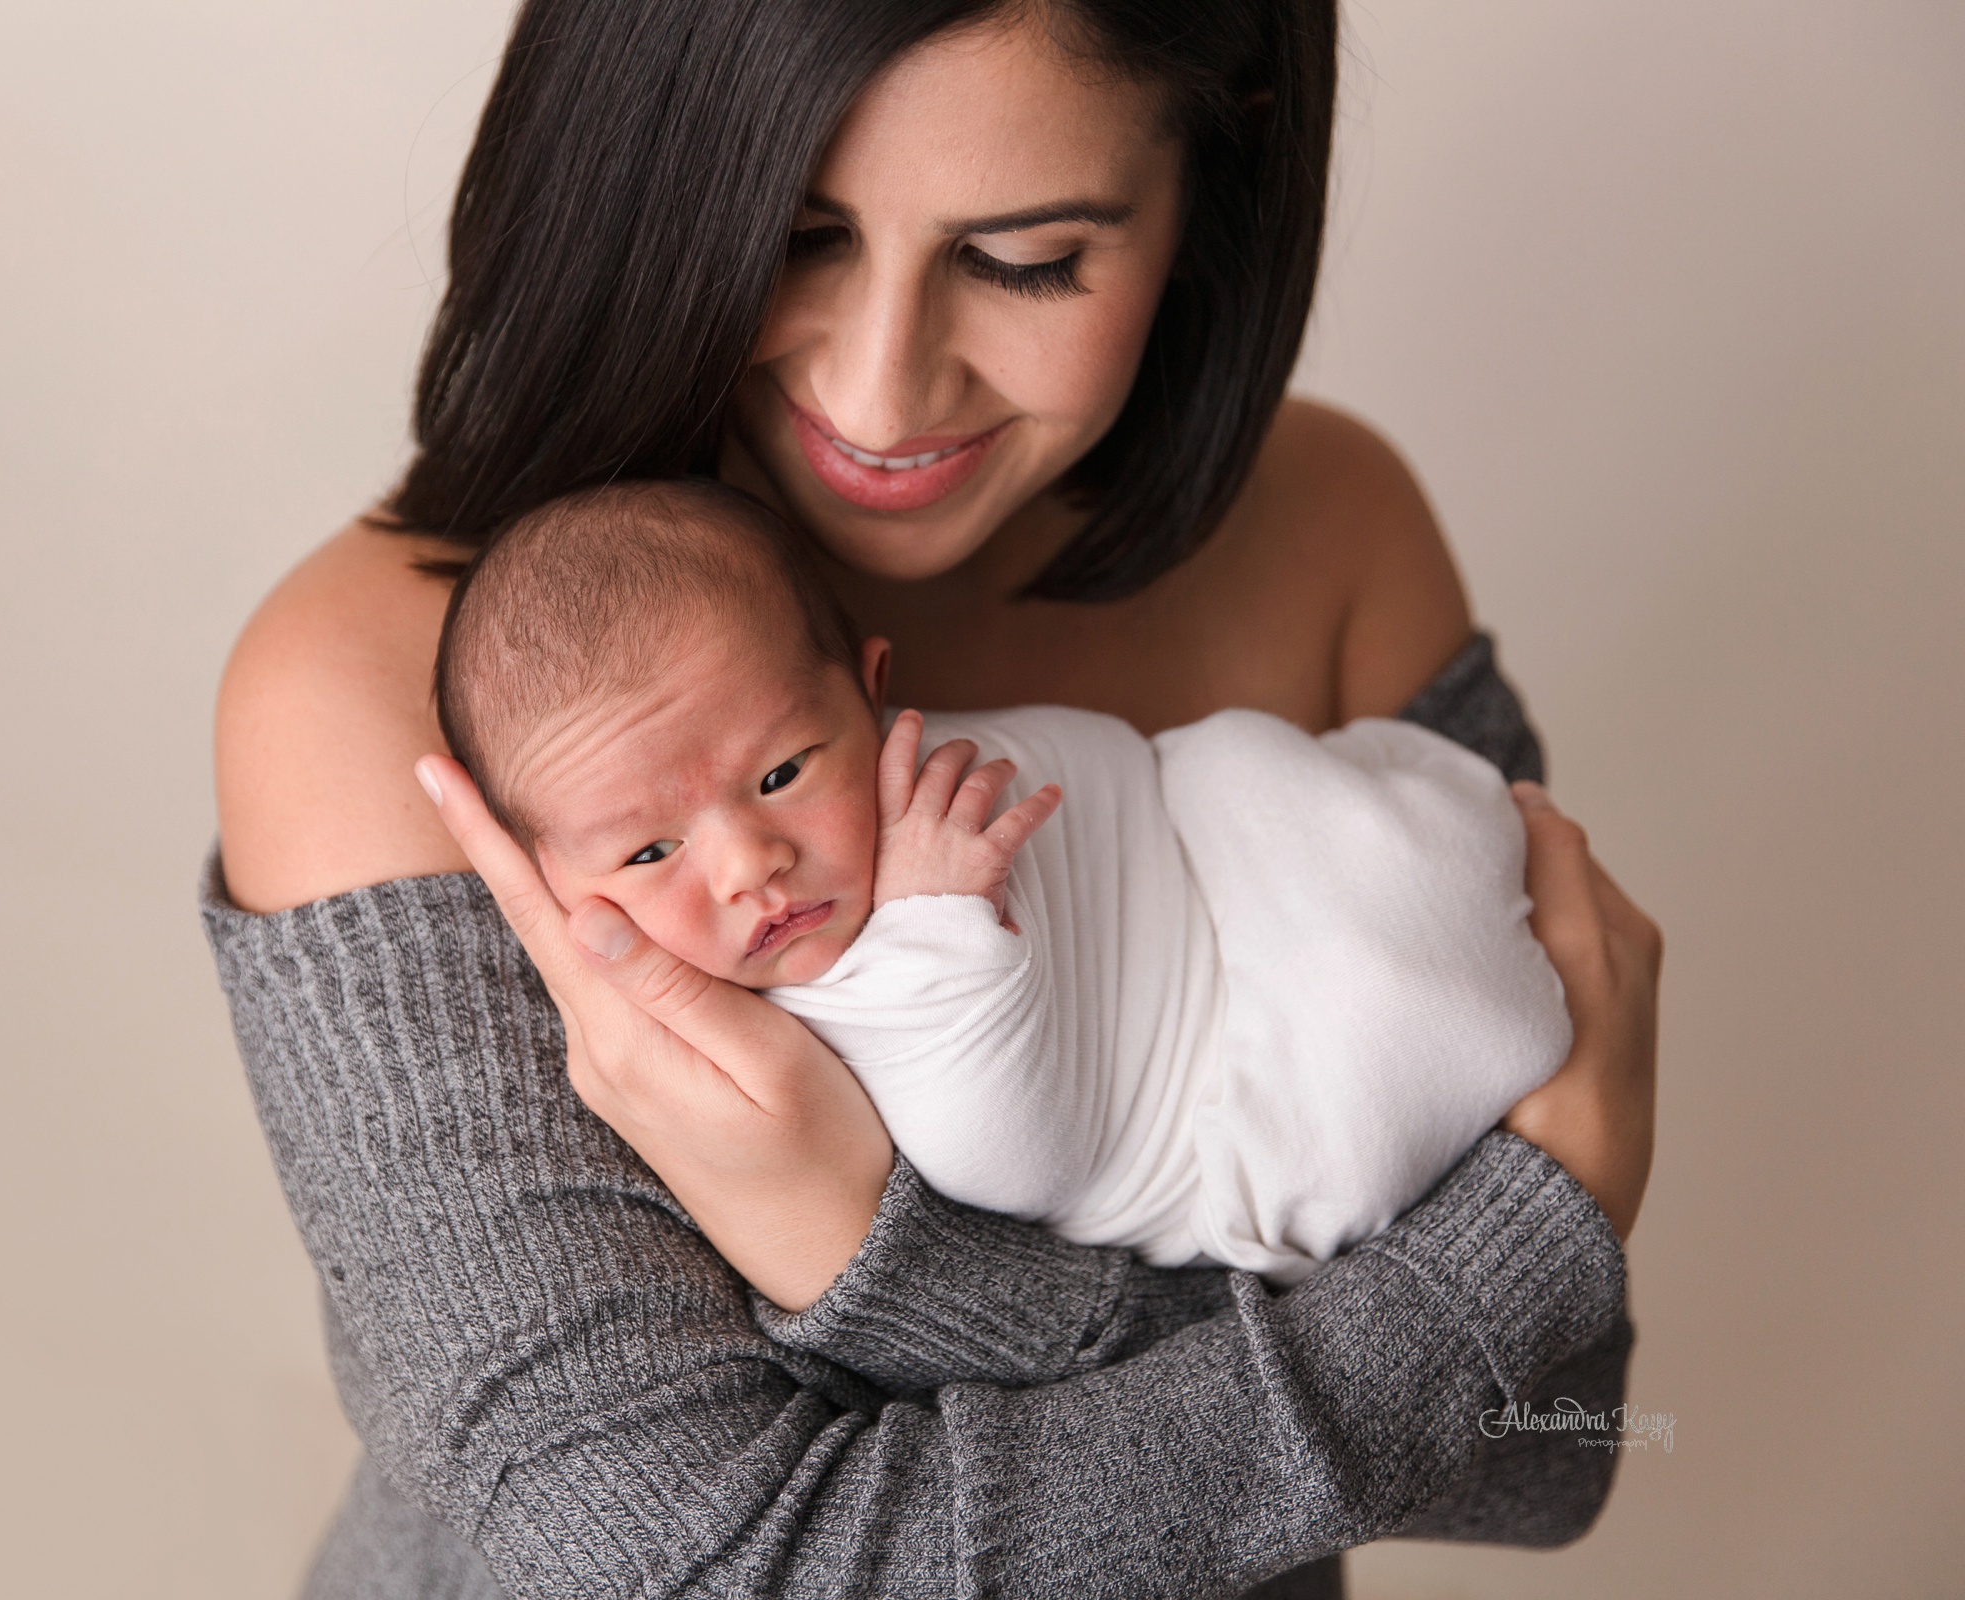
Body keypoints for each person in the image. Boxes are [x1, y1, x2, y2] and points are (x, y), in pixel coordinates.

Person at [208, 1, 1662, 1594]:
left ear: (1212, 175)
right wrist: (1510, 1244)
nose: (883, 393)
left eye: (1028, 259)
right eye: (794, 238)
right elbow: (684, 1567)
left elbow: (1548, 1443)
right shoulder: (398, 695)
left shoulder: (1331, 535)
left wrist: (859, 1246)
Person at [432, 478, 1571, 1285]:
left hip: (1246, 860)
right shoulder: (733, 1037)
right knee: (1349, 1111)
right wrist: (939, 929)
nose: (749, 864)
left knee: (1245, 766)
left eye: (783, 771)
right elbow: (1018, 1161)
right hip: (1232, 1116)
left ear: (870, 692)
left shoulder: (897, 778)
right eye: (646, 854)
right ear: (540, 886)